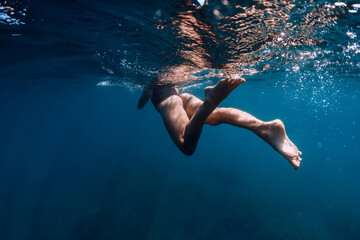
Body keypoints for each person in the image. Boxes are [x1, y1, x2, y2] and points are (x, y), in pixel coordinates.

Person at [137, 77, 302, 170]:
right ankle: (265, 127)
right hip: (182, 97)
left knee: (186, 146)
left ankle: (211, 100)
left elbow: (143, 99)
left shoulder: (150, 85)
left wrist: (142, 102)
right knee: (214, 117)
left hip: (169, 101)